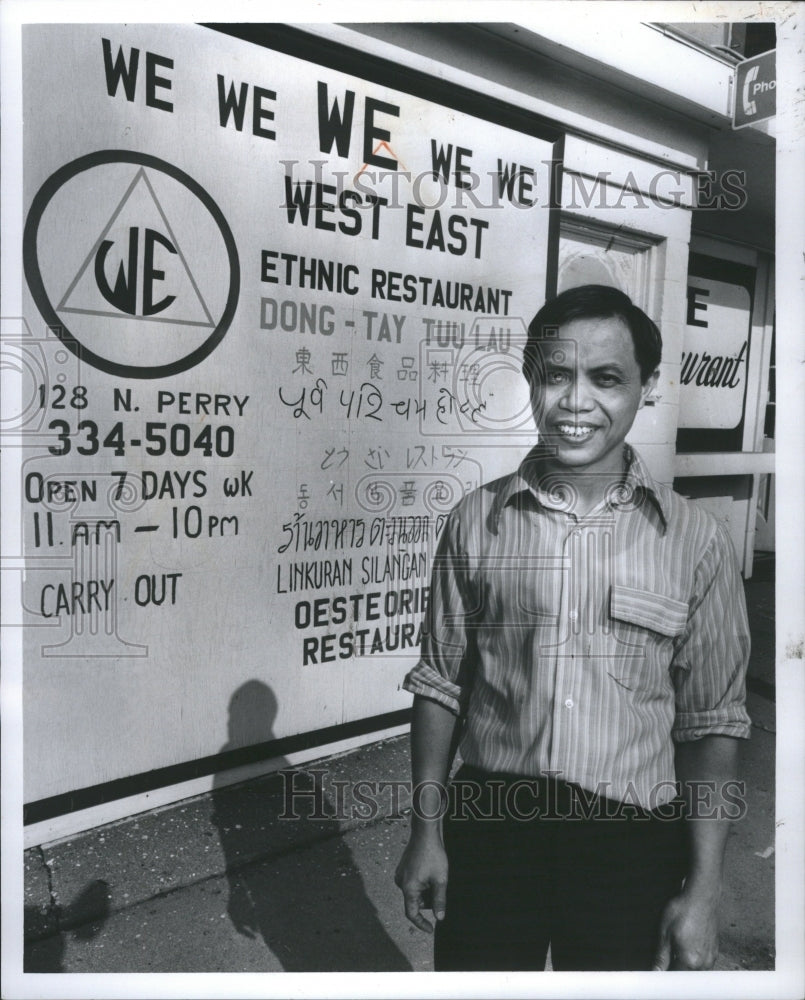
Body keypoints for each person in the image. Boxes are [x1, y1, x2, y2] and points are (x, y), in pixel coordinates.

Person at [395, 284, 751, 971]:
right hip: (492, 828)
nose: (576, 401)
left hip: (628, 846)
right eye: (556, 375)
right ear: (530, 381)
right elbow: (439, 685)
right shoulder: (476, 520)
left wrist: (705, 888)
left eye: (606, 378)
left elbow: (712, 725)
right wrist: (425, 832)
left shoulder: (695, 541)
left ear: (646, 387)